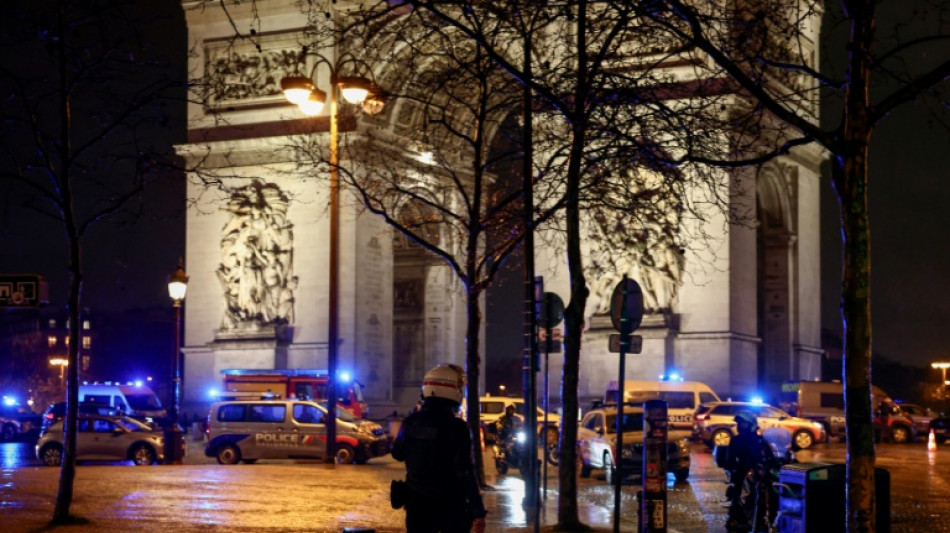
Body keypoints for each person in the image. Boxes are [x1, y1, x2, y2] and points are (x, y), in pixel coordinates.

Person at [392, 364, 487, 533]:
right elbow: (465, 471)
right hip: (450, 505)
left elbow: (397, 454)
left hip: (416, 505)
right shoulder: (458, 428)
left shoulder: (410, 422)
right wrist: (477, 509)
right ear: (453, 391)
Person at [723, 411, 777, 532]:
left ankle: (768, 519)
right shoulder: (735, 441)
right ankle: (738, 520)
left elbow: (770, 457)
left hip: (760, 475)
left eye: (743, 423)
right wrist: (734, 469)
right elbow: (729, 461)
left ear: (751, 425)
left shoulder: (760, 441)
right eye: (739, 423)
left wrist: (773, 465)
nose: (739, 426)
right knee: (737, 497)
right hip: (742, 476)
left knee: (773, 492)